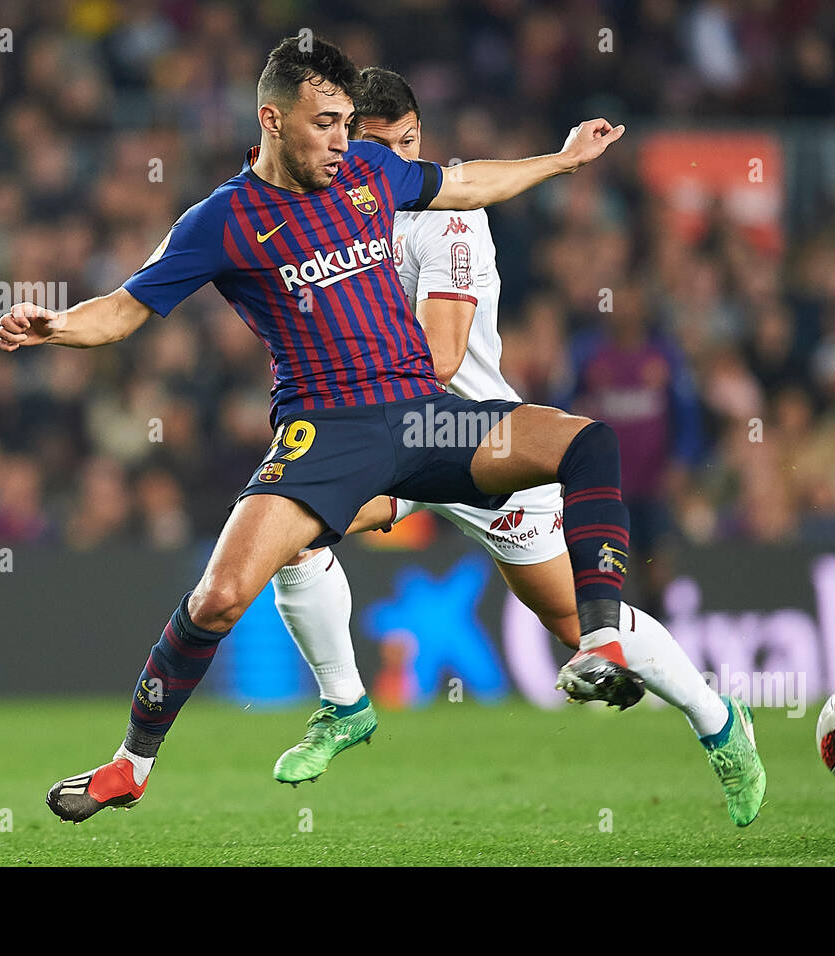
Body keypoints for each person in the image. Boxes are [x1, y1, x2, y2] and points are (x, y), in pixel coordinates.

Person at [0, 36, 764, 827]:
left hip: (434, 419)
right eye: (326, 123)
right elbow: (123, 309)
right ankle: (142, 761)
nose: (341, 142)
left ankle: (641, 671)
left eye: (347, 125)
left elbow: (466, 187)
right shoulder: (219, 221)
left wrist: (563, 162)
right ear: (272, 119)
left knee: (586, 450)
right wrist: (55, 324)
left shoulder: (376, 179)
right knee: (222, 595)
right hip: (328, 436)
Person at [266, 68, 765, 826]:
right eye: (374, 148)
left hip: (470, 441)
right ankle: (344, 705)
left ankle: (719, 722)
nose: (393, 162)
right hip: (384, 440)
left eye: (408, 144)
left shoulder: (450, 220)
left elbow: (435, 360)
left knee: (575, 625)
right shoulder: (322, 208)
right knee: (291, 532)